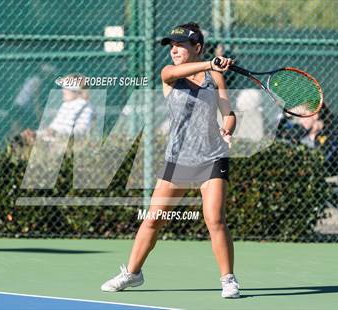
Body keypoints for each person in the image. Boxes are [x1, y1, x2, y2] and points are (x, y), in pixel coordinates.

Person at [101, 23, 240, 298]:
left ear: (197, 48)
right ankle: (132, 273)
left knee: (215, 219)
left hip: (212, 156)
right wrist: (209, 63)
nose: (174, 50)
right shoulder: (170, 75)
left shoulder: (216, 78)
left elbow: (228, 110)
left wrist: (228, 126)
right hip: (178, 160)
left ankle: (228, 279)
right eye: (171, 45)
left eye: (181, 45)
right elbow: (175, 71)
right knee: (153, 220)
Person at [16, 74, 94, 146]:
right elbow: (52, 129)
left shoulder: (85, 107)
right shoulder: (65, 106)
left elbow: (81, 131)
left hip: (66, 144)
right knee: (21, 139)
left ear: (76, 92)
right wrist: (35, 134)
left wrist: (57, 133)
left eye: (67, 88)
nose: (63, 91)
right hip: (53, 142)